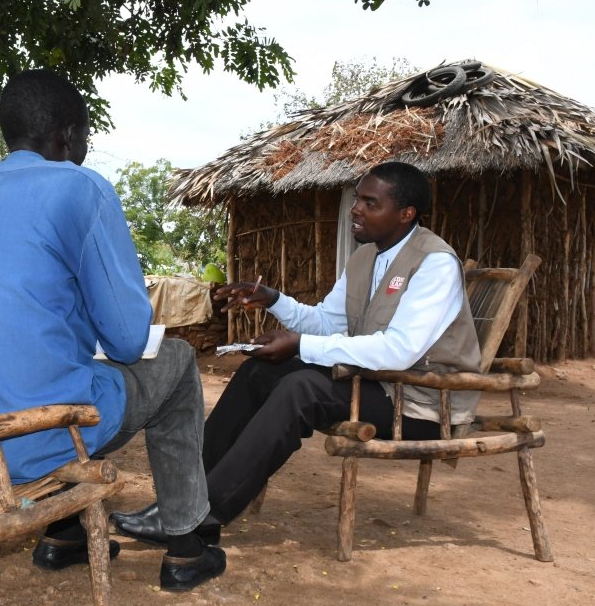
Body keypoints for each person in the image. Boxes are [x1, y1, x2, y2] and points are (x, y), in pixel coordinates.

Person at [0, 68, 225, 591]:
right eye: (86, 136)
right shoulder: (81, 188)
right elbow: (124, 337)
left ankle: (63, 535)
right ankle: (186, 544)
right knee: (178, 363)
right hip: (34, 436)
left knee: (53, 368)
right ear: (68, 135)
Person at [112, 161, 482, 541]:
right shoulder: (364, 258)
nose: (356, 209)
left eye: (371, 204)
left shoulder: (434, 264)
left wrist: (301, 346)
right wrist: (272, 300)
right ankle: (181, 501)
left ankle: (200, 519)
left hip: (420, 404)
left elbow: (399, 350)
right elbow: (326, 322)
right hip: (376, 386)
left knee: (301, 387)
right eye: (358, 200)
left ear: (406, 214)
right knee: (261, 373)